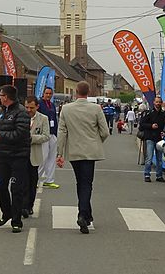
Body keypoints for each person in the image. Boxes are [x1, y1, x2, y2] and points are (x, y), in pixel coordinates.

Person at [56, 81, 109, 234]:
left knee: (81, 182)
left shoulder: (66, 109)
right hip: (91, 151)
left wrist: (60, 153)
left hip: (74, 151)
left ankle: (86, 214)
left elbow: (62, 132)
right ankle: (83, 214)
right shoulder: (96, 109)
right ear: (89, 92)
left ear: (76, 92)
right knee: (86, 183)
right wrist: (96, 141)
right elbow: (105, 131)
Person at [0, 84, 31, 233]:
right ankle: (6, 212)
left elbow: (20, 134)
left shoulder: (22, 113)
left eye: (1, 95)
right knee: (0, 186)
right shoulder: (1, 111)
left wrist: (0, 135)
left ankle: (16, 220)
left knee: (16, 189)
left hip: (18, 156)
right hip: (2, 156)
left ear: (6, 97)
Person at [24, 96, 50, 218]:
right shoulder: (21, 116)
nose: (28, 110)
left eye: (31, 107)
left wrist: (32, 139)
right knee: (20, 181)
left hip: (34, 154)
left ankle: (29, 205)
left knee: (32, 181)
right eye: (27, 107)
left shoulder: (43, 119)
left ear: (37, 107)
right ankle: (22, 205)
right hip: (20, 154)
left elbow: (46, 136)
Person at [140, 96, 165, 182]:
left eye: (159, 102)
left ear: (161, 103)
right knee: (149, 158)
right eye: (156, 102)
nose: (158, 104)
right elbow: (142, 124)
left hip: (159, 139)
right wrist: (151, 126)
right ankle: (147, 175)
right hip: (150, 137)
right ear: (154, 103)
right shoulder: (148, 113)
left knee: (160, 159)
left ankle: (159, 176)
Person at [38, 87, 61, 189]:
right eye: (46, 93)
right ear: (43, 94)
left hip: (52, 134)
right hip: (43, 134)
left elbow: (55, 120)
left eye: (50, 93)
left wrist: (56, 133)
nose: (48, 95)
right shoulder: (39, 104)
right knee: (43, 158)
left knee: (52, 158)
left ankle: (49, 180)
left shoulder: (52, 105)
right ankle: (36, 179)